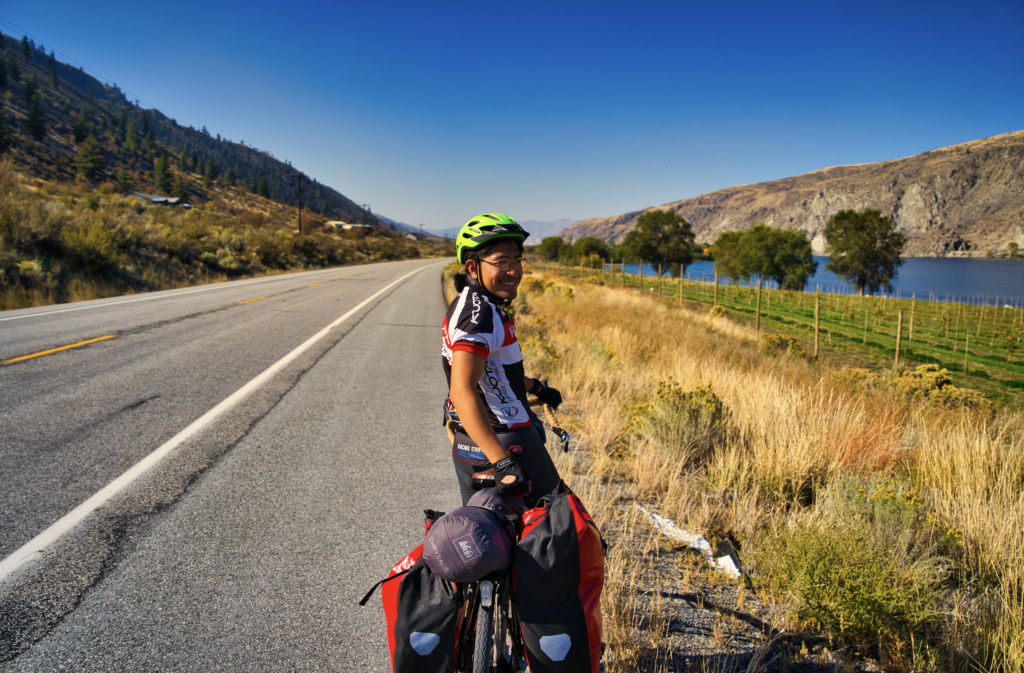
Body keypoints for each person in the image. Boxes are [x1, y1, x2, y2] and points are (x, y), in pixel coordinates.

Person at [442, 213, 564, 508]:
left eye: (517, 260)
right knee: (559, 528)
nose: (513, 271)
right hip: (505, 438)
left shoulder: (471, 304)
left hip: (470, 439)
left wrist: (536, 388)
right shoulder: (479, 316)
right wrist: (502, 463)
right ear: (473, 266)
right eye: (501, 262)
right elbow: (462, 390)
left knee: (495, 538)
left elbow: (489, 370)